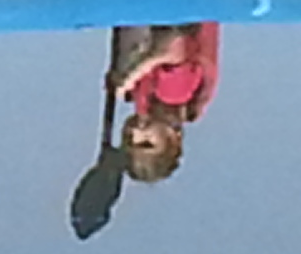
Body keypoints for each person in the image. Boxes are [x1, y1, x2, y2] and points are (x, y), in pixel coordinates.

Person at [70, 21, 223, 237]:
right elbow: (174, 47)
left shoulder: (150, 104)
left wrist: (122, 74)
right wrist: (131, 75)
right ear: (173, 138)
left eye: (130, 141)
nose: (135, 132)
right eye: (147, 142)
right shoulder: (175, 96)